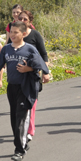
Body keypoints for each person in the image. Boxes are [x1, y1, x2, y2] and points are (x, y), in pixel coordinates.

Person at [0, 21, 50, 161]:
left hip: (25, 87)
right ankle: (22, 144)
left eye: (16, 32)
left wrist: (30, 69)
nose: (12, 35)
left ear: (23, 34)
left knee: (20, 118)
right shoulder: (6, 49)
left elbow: (40, 65)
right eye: (11, 32)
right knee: (13, 119)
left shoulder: (30, 49)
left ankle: (19, 150)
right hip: (12, 87)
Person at [17, 10, 50, 144]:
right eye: (20, 19)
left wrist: (45, 72)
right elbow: (7, 51)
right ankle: (19, 131)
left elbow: (44, 55)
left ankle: (30, 130)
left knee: (31, 104)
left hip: (32, 77)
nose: (23, 21)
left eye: (25, 19)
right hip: (18, 77)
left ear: (30, 21)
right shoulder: (15, 35)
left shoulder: (35, 35)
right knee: (18, 107)